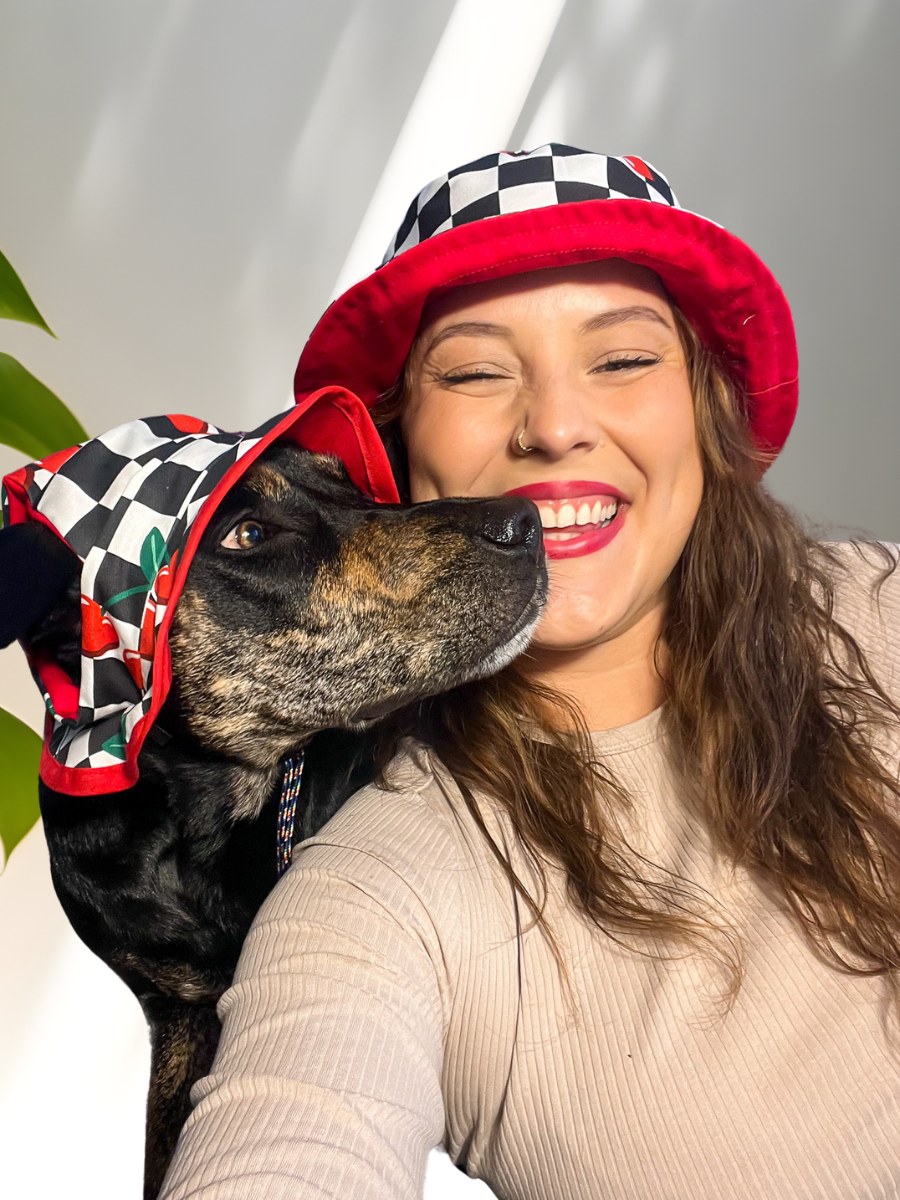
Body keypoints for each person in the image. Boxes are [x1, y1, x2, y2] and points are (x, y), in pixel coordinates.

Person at [158, 146, 900, 1200]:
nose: (554, 424)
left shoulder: (879, 612)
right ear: (397, 443)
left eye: (624, 360)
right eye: (473, 369)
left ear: (706, 405)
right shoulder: (385, 887)